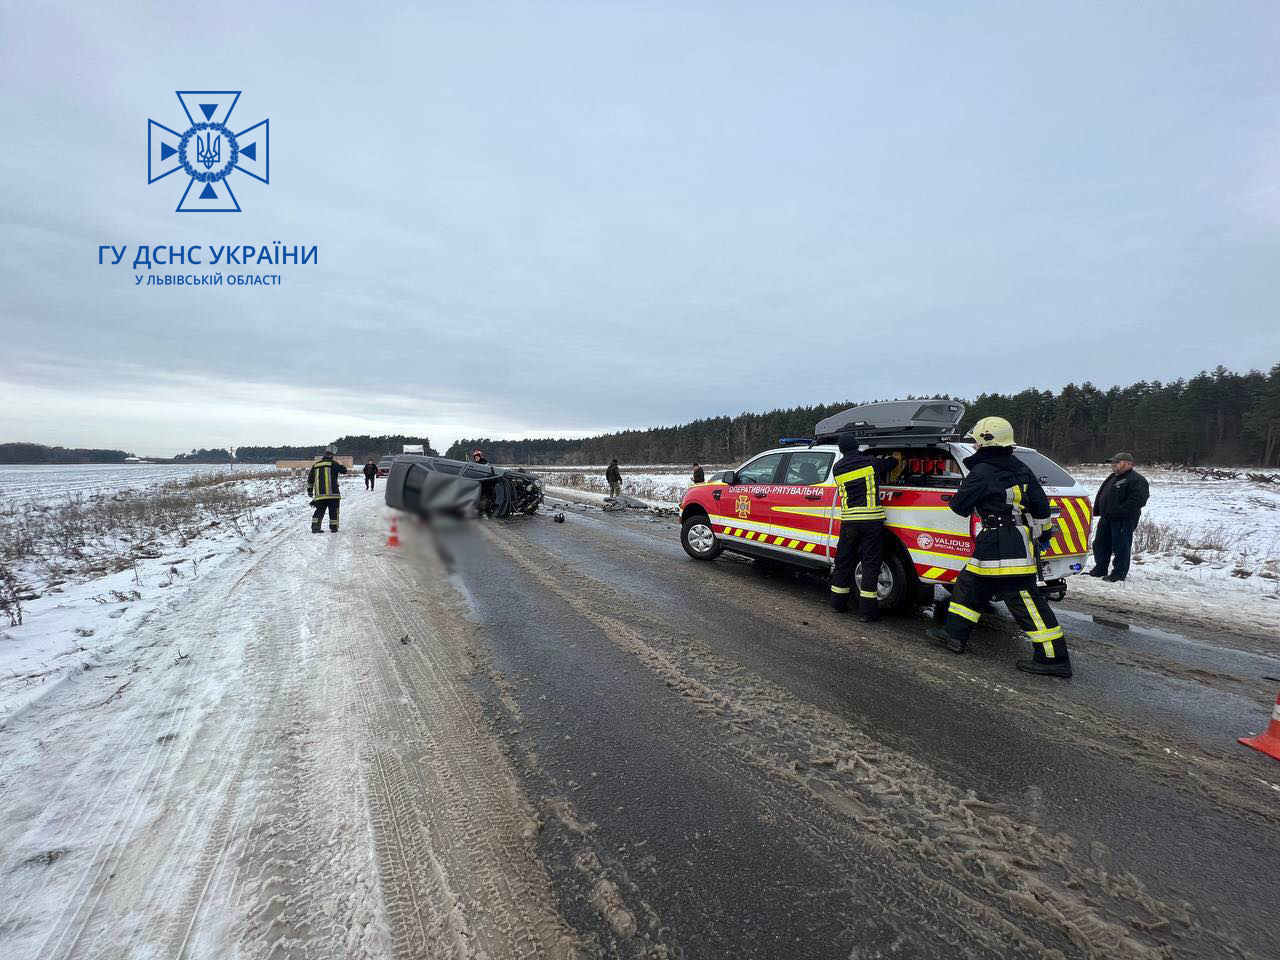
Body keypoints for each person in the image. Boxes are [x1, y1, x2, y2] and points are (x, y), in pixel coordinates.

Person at [926, 416, 1072, 678]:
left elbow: (959, 507)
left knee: (1024, 600)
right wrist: (1042, 534)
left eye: (976, 442)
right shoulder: (1021, 467)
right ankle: (954, 635)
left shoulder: (982, 471)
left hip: (1001, 543)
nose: (974, 446)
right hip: (1012, 540)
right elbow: (1040, 506)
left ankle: (1053, 658)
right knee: (968, 587)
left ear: (985, 440)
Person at [829, 435, 899, 622]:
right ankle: (867, 612)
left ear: (842, 450)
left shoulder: (837, 468)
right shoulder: (870, 462)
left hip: (849, 522)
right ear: (856, 446)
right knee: (870, 563)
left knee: (843, 561)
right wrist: (893, 457)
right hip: (871, 521)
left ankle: (837, 604)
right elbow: (891, 464)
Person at [1089, 452, 1149, 583]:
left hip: (1123, 519)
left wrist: (1119, 511)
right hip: (1107, 517)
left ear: (1128, 464)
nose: (1113, 465)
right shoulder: (1113, 477)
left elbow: (1138, 501)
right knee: (1100, 544)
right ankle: (1100, 569)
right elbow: (1103, 493)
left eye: (1117, 462)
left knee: (1121, 545)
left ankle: (1118, 574)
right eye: (1113, 462)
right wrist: (1099, 509)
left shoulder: (1136, 479)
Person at [307, 449, 347, 533]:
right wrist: (337, 463)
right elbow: (344, 470)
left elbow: (310, 479)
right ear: (331, 456)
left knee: (319, 511)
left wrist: (309, 491)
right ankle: (334, 527)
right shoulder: (333, 463)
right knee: (333, 511)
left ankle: (315, 528)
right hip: (333, 493)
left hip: (320, 494)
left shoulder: (316, 465)